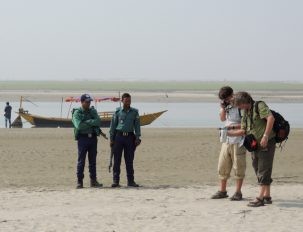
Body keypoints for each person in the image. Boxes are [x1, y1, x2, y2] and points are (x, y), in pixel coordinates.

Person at [228, 91, 276, 207]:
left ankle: (259, 198)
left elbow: (270, 118)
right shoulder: (245, 112)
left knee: (263, 169)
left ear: (244, 102)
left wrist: (265, 136)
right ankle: (267, 196)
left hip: (266, 143)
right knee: (257, 167)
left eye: (239, 105)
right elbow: (244, 130)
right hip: (255, 144)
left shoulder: (259, 105)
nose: (239, 108)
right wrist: (230, 133)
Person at [211, 86, 246, 201]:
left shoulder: (241, 105)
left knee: (238, 167)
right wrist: (222, 108)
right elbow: (222, 119)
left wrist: (232, 127)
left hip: (239, 140)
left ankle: (238, 192)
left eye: (227, 98)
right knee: (222, 165)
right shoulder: (227, 106)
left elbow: (247, 125)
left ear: (232, 94)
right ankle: (222, 191)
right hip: (226, 139)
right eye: (224, 99)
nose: (227, 100)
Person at [109, 93, 141, 188]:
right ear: (122, 101)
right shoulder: (117, 112)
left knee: (129, 160)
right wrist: (111, 139)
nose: (128, 102)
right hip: (118, 137)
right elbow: (113, 126)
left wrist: (137, 137)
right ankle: (116, 181)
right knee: (117, 160)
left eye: (129, 101)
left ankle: (130, 181)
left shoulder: (134, 112)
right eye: (126, 101)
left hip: (130, 138)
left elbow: (137, 126)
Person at [72, 94, 103, 189]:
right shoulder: (77, 113)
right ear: (82, 102)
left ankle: (93, 181)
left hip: (93, 138)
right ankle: (79, 182)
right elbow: (79, 126)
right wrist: (91, 122)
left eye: (89, 102)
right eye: (86, 102)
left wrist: (87, 122)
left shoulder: (92, 111)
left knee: (92, 161)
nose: (89, 103)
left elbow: (98, 121)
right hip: (83, 138)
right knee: (81, 161)